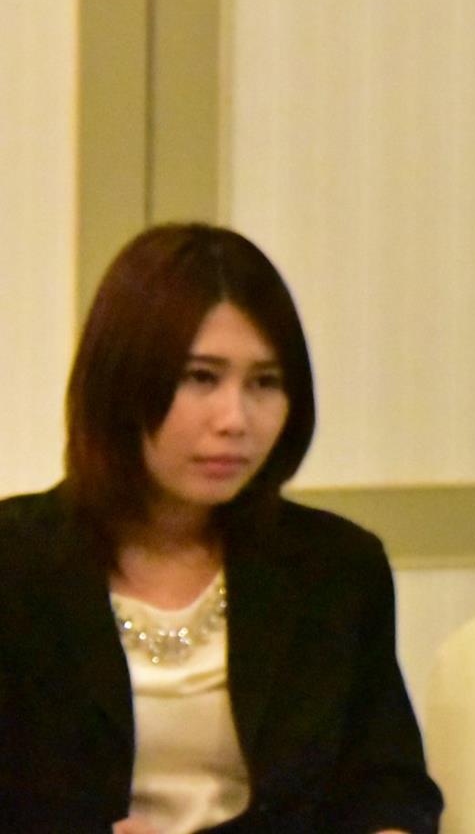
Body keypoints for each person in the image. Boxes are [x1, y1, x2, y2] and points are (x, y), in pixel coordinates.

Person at [0, 224, 443, 833]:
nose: (235, 420)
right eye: (200, 377)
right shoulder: (16, 564)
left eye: (265, 382)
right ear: (120, 381)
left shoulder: (336, 567)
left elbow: (388, 788)